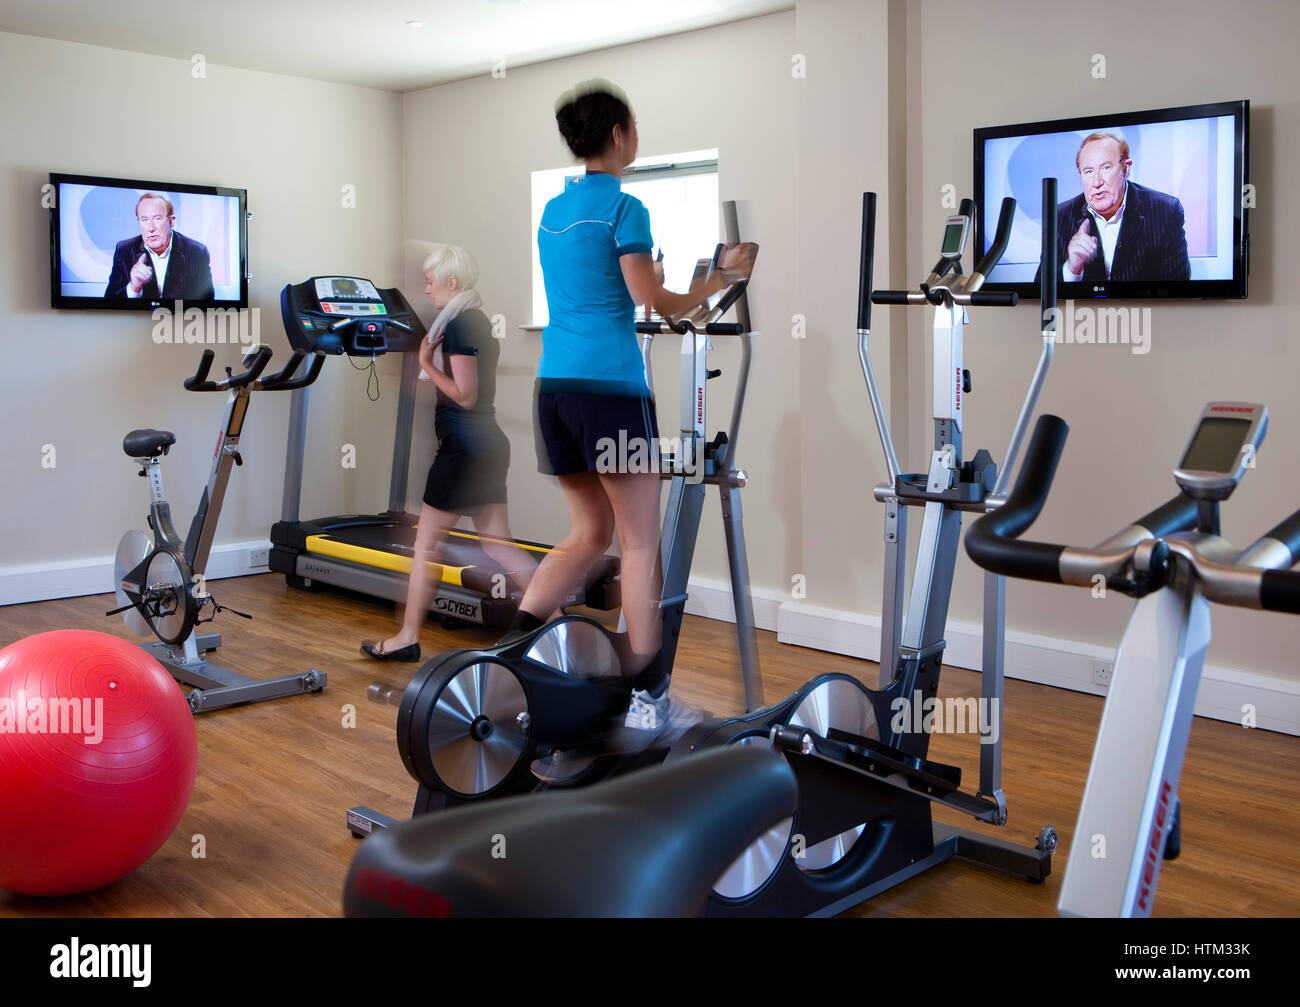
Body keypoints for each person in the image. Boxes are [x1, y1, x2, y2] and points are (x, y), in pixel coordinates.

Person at [508, 80, 755, 740]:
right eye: (634, 126)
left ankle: (508, 657)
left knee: (589, 533)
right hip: (611, 390)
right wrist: (722, 275)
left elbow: (596, 287)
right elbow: (656, 301)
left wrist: (653, 276)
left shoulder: (554, 214)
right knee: (640, 542)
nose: (637, 136)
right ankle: (650, 695)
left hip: (554, 388)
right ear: (618, 135)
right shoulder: (626, 206)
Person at [362, 245, 536, 661]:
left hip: (464, 449)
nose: (427, 288)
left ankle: (407, 638)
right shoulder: (473, 319)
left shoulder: (459, 324)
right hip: (487, 444)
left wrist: (426, 361)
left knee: (425, 546)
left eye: (430, 280)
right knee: (497, 542)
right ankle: (561, 623)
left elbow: (464, 394)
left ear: (451, 282)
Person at [1051, 132, 1190, 283]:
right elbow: (1041, 287)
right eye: (1089, 171)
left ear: (1125, 169)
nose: (1097, 182)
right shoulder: (1060, 216)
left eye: (1105, 167)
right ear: (1080, 176)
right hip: (1080, 308)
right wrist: (1072, 268)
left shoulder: (1164, 211)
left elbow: (1179, 282)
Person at [105, 193, 215, 300]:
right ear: (139, 222)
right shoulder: (124, 250)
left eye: (157, 218)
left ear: (171, 221)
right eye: (145, 220)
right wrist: (134, 288)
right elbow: (108, 302)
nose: (150, 228)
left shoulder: (196, 252)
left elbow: (207, 302)